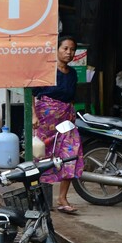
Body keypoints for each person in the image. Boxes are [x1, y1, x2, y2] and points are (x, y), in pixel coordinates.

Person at [31, 35, 85, 214]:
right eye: (65, 48)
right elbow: (34, 94)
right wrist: (33, 115)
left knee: (71, 154)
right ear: (57, 49)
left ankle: (62, 198)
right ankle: (39, 198)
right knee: (44, 155)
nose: (69, 52)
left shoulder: (73, 73)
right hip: (46, 118)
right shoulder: (47, 70)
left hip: (67, 119)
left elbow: (71, 96)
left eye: (72, 49)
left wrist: (71, 114)